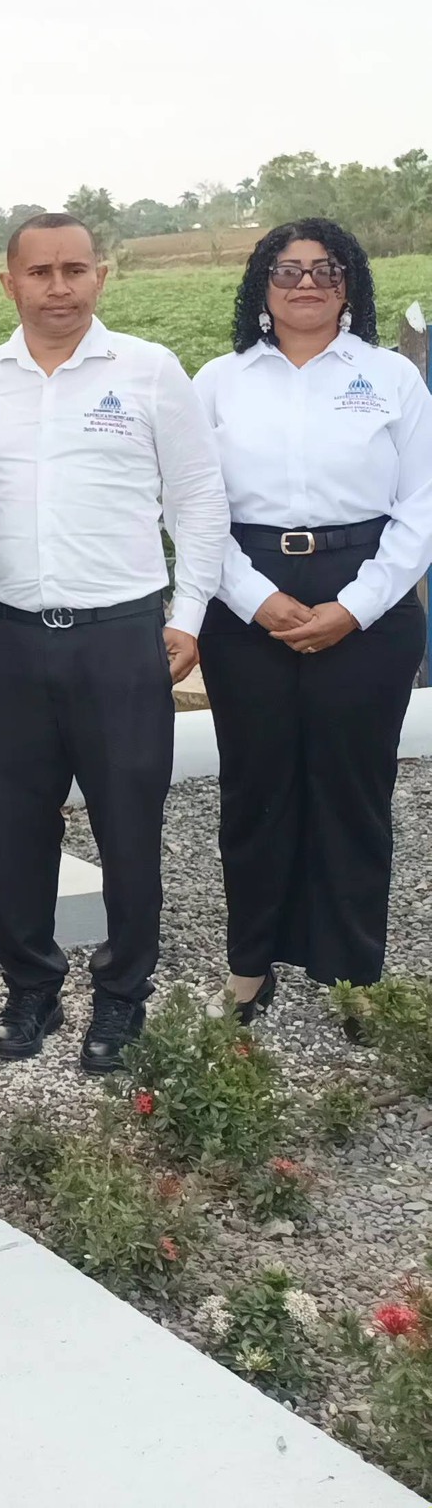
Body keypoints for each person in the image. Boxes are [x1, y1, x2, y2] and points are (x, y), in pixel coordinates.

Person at [0, 213, 228, 1073]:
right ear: (9, 284)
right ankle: (30, 988)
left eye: (74, 269)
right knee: (13, 827)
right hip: (12, 644)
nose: (58, 287)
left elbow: (200, 497)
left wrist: (188, 617)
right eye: (40, 272)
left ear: (101, 276)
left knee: (130, 829)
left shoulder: (148, 372)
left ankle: (121, 995)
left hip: (119, 641)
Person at [194, 221, 432, 1017]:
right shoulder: (220, 381)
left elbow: (422, 506)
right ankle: (250, 965)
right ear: (261, 285)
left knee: (352, 788)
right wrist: (252, 596)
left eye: (325, 270)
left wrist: (355, 607)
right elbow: (192, 507)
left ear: (350, 284)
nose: (306, 283)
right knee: (256, 786)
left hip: (369, 595)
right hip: (248, 594)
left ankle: (351, 970)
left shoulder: (392, 378)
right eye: (287, 270)